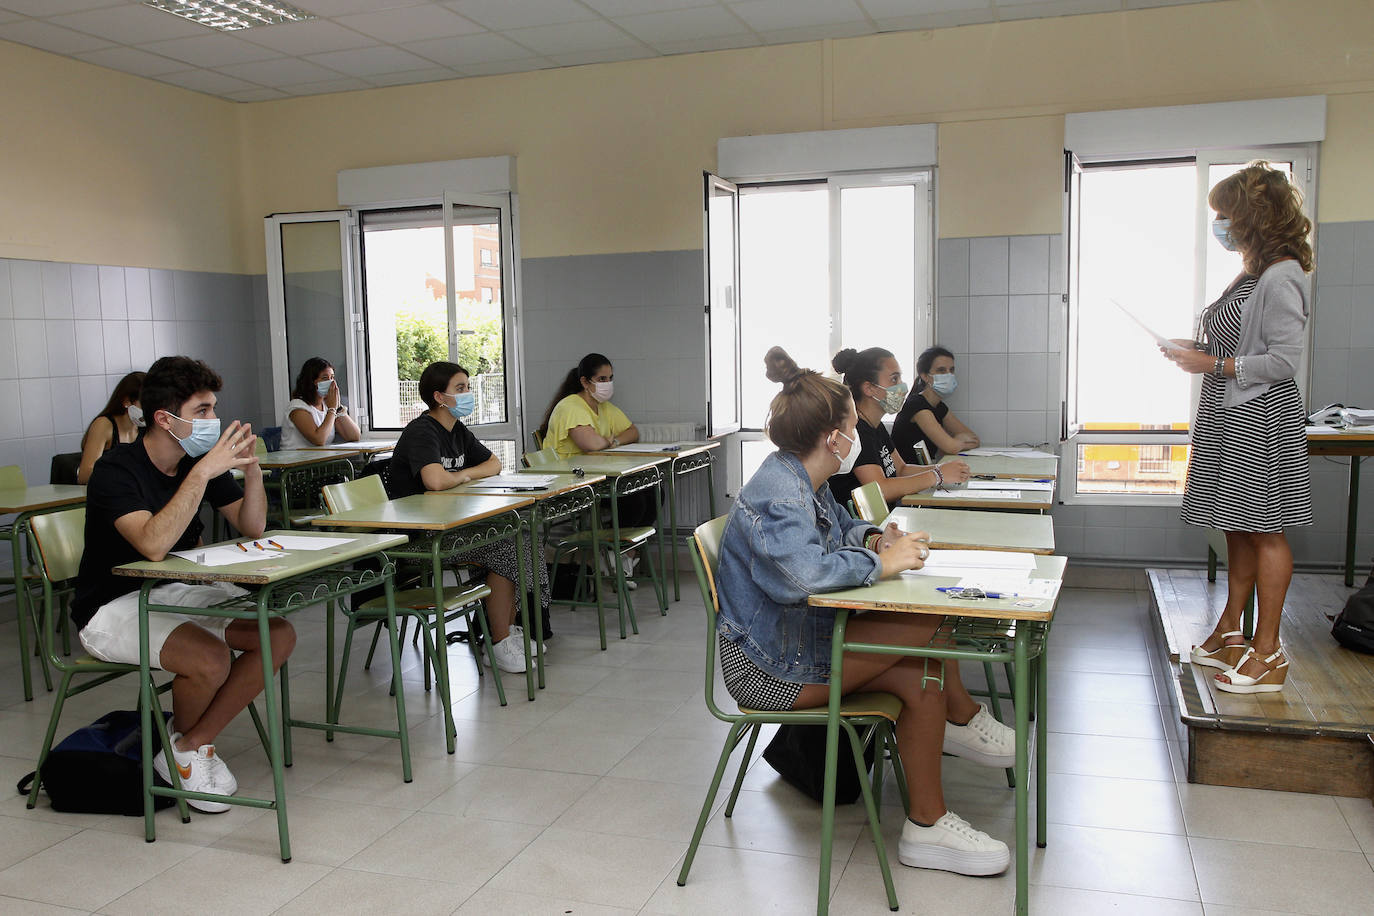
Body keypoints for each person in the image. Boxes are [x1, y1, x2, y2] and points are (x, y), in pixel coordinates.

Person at [716, 346, 1013, 877]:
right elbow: (801, 578)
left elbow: (839, 526)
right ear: (834, 437)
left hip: (798, 644)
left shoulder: (802, 476)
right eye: (852, 425)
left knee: (919, 667)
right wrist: (879, 565)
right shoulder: (778, 494)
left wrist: (877, 539)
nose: (856, 436)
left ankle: (927, 823)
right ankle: (955, 731)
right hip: (770, 671)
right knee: (927, 624)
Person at [71, 356, 292, 813]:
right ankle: (190, 755)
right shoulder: (117, 470)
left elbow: (252, 525)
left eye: (213, 409)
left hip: (171, 589)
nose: (214, 420)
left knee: (276, 634)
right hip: (112, 604)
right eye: (203, 411)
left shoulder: (197, 464)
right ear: (164, 419)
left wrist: (251, 469)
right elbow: (152, 545)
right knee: (209, 658)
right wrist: (202, 473)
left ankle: (189, 746)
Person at [1172, 162, 1314, 694]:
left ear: (1253, 216)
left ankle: (1269, 651)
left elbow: (1282, 362)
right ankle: (1232, 628)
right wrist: (1199, 351)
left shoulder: (1281, 275)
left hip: (1261, 420)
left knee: (1266, 528)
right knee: (1237, 524)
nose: (1220, 224)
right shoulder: (1252, 272)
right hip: (1230, 415)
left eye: (1225, 214)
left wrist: (1215, 366)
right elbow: (1237, 344)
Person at [385, 361, 547, 673]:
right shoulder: (422, 431)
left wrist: (459, 475)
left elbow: (494, 464)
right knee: (507, 546)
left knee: (519, 535)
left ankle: (503, 634)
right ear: (438, 397)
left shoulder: (457, 430)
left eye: (468, 387)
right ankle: (498, 643)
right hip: (420, 536)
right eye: (460, 389)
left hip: (450, 525)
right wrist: (459, 477)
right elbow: (434, 480)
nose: (468, 394)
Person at [828, 347, 972, 508]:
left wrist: (944, 469)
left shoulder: (875, 425)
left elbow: (901, 469)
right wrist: (937, 475)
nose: (902, 387)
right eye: (894, 379)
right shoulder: (857, 431)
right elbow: (880, 489)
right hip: (862, 529)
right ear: (869, 388)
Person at [539, 352, 656, 528]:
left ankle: (626, 550)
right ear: (585, 382)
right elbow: (591, 444)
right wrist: (605, 441)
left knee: (654, 492)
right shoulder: (570, 406)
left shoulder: (603, 406)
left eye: (610, 378)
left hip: (596, 476)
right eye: (602, 379)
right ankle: (614, 548)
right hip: (570, 480)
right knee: (634, 500)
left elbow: (632, 432)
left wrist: (612, 441)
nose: (607, 384)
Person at [892, 346, 980, 463]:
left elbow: (973, 438)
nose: (948, 375)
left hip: (925, 471)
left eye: (951, 370)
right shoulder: (917, 405)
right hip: (906, 475)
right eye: (941, 370)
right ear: (925, 376)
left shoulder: (939, 406)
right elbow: (950, 447)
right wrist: (956, 442)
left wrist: (956, 442)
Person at [76, 371, 145, 484]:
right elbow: (84, 475)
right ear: (126, 401)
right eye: (144, 403)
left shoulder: (145, 428)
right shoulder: (104, 425)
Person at [278, 357, 361, 450]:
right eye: (325, 378)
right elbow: (319, 439)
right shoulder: (297, 407)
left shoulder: (327, 405)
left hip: (319, 461)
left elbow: (354, 436)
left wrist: (337, 407)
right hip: (295, 462)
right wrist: (332, 409)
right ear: (312, 381)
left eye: (332, 377)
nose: (331, 382)